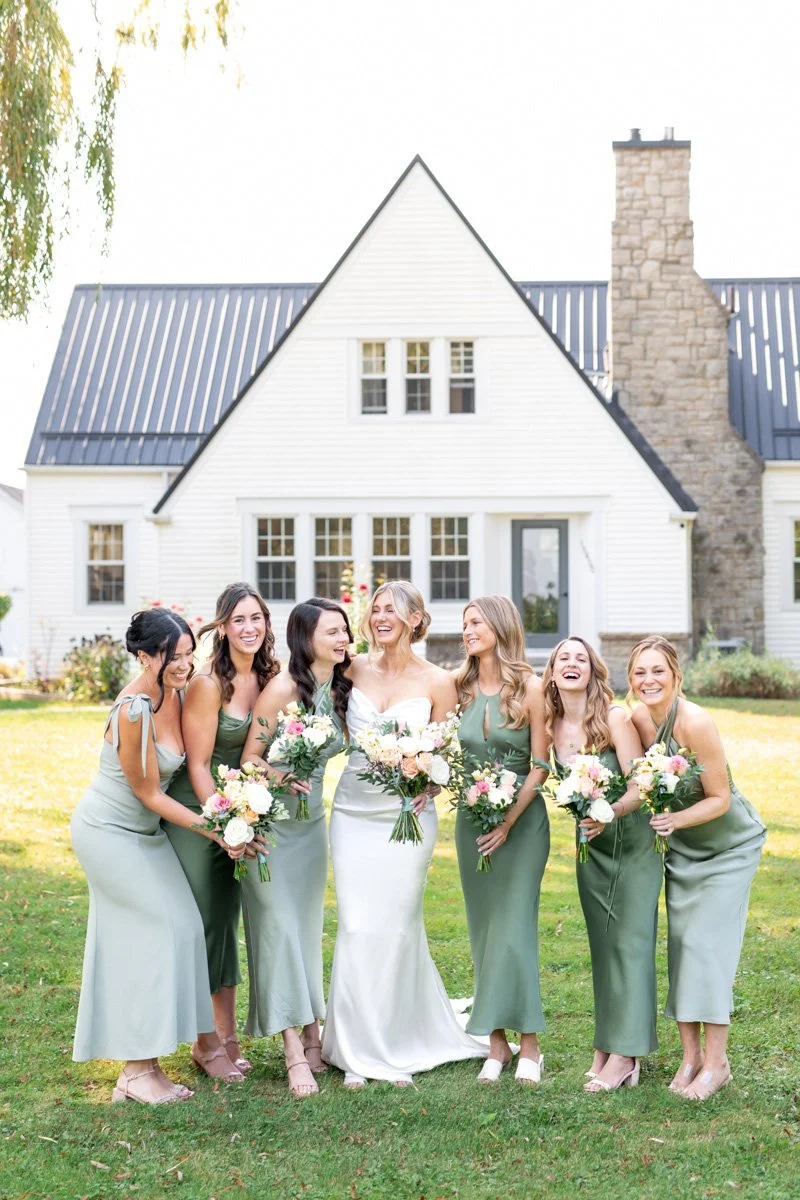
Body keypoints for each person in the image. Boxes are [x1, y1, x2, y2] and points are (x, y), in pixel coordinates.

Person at [70, 608, 243, 1104]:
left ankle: (154, 1062)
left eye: (189, 653)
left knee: (186, 927)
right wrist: (216, 830)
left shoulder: (181, 691)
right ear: (145, 655)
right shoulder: (132, 710)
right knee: (159, 931)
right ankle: (137, 1070)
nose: (184, 663)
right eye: (173, 655)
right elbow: (148, 792)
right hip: (109, 831)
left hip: (146, 835)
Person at [320, 580, 487, 1087]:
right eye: (374, 609)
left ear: (416, 619)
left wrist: (429, 785)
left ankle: (393, 1041)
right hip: (353, 811)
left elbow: (443, 754)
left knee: (394, 925)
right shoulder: (348, 668)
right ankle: (356, 1049)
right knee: (354, 924)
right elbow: (324, 722)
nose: (379, 616)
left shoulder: (440, 682)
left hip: (407, 818)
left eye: (391, 609)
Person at [628, 635, 766, 1100]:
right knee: (683, 946)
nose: (649, 680)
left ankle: (717, 1062)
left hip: (729, 848)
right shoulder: (638, 721)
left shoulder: (696, 722)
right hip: (685, 851)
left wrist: (674, 820)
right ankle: (690, 1058)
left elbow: (721, 799)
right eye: (639, 673)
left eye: (657, 671)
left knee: (708, 947)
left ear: (676, 676)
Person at [164, 583, 279, 1080]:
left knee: (226, 925)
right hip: (201, 812)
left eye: (256, 618)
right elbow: (198, 764)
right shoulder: (210, 684)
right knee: (209, 923)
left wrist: (249, 817)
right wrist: (223, 824)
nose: (249, 628)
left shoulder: (272, 676)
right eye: (238, 620)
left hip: (244, 814)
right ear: (222, 627)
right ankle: (205, 1042)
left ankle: (227, 1035)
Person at [239, 598, 349, 1098]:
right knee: (278, 931)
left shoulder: (342, 686)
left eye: (346, 630)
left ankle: (312, 1034)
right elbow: (250, 758)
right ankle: (290, 1050)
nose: (344, 638)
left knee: (305, 931)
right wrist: (281, 773)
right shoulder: (282, 688)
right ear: (306, 639)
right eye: (333, 631)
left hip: (312, 829)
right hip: (272, 828)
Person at [543, 635, 661, 1091]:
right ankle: (607, 1043)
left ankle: (626, 1055)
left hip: (631, 841)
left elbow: (641, 785)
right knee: (604, 948)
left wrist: (608, 813)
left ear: (592, 671)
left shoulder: (614, 717)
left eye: (581, 659)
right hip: (590, 848)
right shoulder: (551, 724)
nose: (572, 664)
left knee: (630, 945)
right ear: (552, 673)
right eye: (562, 659)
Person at [454, 596, 549, 1084]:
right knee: (484, 931)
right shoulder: (460, 688)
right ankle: (496, 1042)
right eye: (465, 623)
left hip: (523, 825)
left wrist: (508, 821)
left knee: (515, 930)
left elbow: (540, 765)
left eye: (476, 622)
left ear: (500, 626)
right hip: (472, 823)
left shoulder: (532, 689)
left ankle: (530, 1043)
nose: (467, 630)